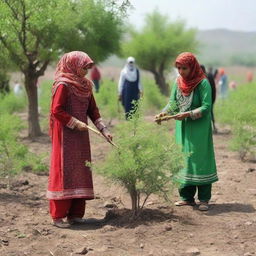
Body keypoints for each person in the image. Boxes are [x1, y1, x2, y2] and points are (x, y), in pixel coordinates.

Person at [46, 51, 113, 228]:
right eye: (84, 67)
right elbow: (57, 111)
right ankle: (58, 216)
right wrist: (74, 123)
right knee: (64, 171)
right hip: (65, 135)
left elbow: (93, 111)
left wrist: (104, 130)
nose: (86, 72)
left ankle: (75, 214)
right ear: (73, 65)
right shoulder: (63, 85)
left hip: (81, 136)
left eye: (88, 68)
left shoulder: (86, 86)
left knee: (80, 171)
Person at [155, 52, 218, 211]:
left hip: (199, 128)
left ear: (192, 67)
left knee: (200, 158)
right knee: (183, 159)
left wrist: (188, 114)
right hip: (182, 127)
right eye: (178, 68)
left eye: (184, 68)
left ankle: (204, 198)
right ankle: (186, 197)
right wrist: (164, 113)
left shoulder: (203, 83)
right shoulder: (178, 81)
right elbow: (173, 103)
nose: (181, 72)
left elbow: (206, 106)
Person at [201, 65, 217, 133]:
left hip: (208, 98)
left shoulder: (205, 77)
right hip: (211, 98)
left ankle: (211, 127)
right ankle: (213, 127)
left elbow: (212, 89)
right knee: (210, 112)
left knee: (208, 113)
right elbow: (214, 88)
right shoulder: (209, 75)